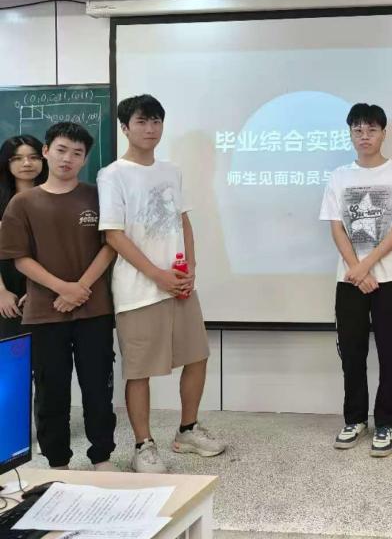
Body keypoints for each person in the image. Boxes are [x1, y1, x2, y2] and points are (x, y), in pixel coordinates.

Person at [98, 94, 225, 474]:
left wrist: (191, 269)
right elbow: (113, 235)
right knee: (139, 371)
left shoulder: (171, 171)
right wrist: (157, 275)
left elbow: (182, 220)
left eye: (156, 121)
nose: (150, 129)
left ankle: (187, 430)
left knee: (197, 356)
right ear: (125, 127)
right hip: (139, 290)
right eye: (142, 121)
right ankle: (143, 445)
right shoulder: (113, 174)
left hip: (180, 284)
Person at [0, 122, 116, 471]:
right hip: (44, 311)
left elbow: (111, 245)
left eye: (77, 153)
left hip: (94, 309)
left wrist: (80, 288)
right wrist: (64, 288)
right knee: (51, 390)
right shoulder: (23, 202)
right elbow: (20, 258)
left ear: (85, 159)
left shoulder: (97, 196)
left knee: (98, 386)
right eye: (61, 150)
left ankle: (102, 456)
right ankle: (58, 461)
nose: (68, 159)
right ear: (47, 151)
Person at [321, 103, 392, 457]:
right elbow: (336, 227)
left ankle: (386, 423)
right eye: (358, 129)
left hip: (389, 278)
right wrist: (356, 268)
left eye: (371, 129)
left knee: (390, 354)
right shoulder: (339, 176)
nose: (364, 136)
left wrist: (367, 265)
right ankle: (355, 419)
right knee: (352, 353)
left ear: (383, 133)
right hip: (349, 280)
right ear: (350, 134)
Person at [0, 135, 47, 338]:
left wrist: (41, 289)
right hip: (7, 289)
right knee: (12, 352)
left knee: (45, 353)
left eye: (34, 157)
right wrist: (1, 292)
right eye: (17, 158)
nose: (27, 163)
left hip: (48, 287)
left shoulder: (56, 197)